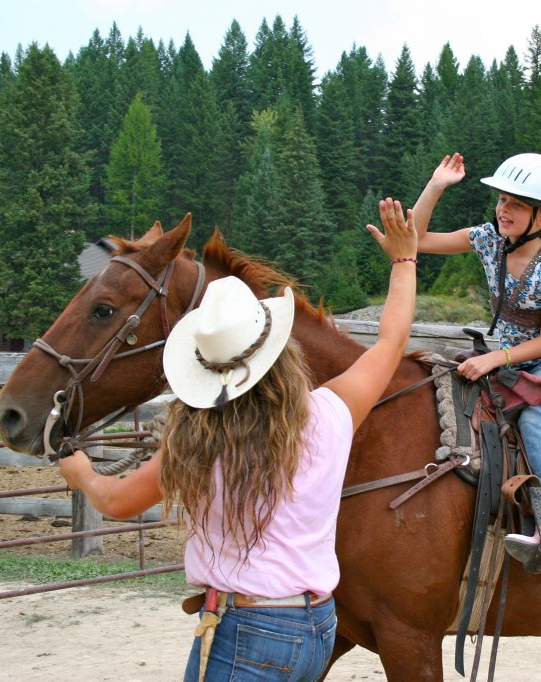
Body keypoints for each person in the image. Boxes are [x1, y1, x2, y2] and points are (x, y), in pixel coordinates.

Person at [58, 198, 418, 682]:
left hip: (244, 629)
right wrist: (404, 258)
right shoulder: (331, 413)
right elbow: (392, 341)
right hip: (317, 626)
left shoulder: (199, 441)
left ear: (203, 367)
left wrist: (81, 473)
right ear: (277, 346)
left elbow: (118, 501)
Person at [411, 152, 541, 576]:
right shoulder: (487, 240)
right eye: (503, 200)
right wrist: (436, 184)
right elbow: (415, 239)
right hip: (506, 358)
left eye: (517, 205)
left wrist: (493, 358)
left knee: (535, 416)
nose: (504, 209)